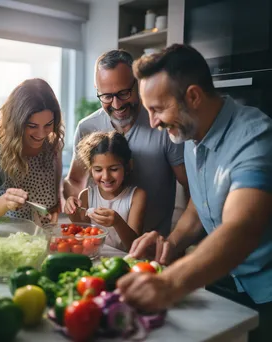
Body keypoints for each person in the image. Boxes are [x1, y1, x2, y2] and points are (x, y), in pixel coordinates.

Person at [116, 44, 272, 342]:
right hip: (221, 281)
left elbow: (242, 228)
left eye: (158, 109)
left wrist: (171, 283)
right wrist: (170, 245)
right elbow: (200, 206)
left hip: (264, 294)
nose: (153, 122)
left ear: (193, 96)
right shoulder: (191, 131)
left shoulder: (255, 139)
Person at [64, 49, 189, 237]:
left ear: (138, 84)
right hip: (104, 245)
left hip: (156, 242)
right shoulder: (87, 127)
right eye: (106, 96)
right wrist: (73, 200)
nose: (116, 105)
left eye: (124, 93)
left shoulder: (162, 123)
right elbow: (74, 180)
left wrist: (179, 237)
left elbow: (189, 184)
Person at [0, 78, 64, 225]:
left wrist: (57, 208)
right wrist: (5, 201)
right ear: (16, 122)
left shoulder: (55, 146)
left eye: (48, 124)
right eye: (32, 126)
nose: (42, 133)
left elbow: (55, 200)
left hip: (46, 237)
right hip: (9, 239)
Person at [64, 131, 146, 251]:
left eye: (113, 169)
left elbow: (133, 245)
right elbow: (82, 233)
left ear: (128, 166)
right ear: (90, 169)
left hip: (123, 260)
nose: (106, 177)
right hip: (95, 257)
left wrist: (117, 222)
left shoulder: (137, 196)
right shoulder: (87, 195)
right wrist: (72, 213)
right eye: (98, 170)